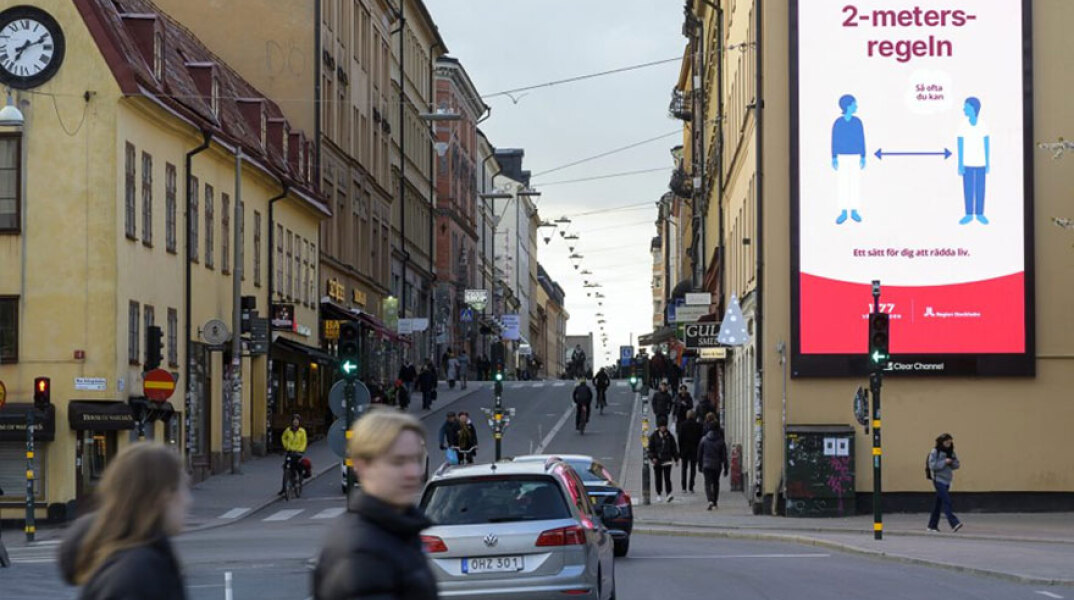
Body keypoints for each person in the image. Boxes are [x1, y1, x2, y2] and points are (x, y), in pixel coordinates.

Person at [312, 409, 437, 600]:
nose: (413, 472)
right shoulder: (361, 552)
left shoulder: (397, 530)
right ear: (363, 466)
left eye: (416, 459)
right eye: (398, 462)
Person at [58, 443, 189, 600]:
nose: (188, 500)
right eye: (183, 488)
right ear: (163, 495)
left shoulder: (140, 562)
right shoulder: (139, 575)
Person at [832, 93, 867, 224]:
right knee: (843, 183)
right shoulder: (838, 123)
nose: (856, 106)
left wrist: (863, 156)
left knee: (854, 182)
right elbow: (834, 140)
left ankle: (854, 210)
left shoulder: (857, 122)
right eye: (854, 104)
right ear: (848, 106)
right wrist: (834, 157)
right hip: (842, 156)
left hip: (855, 156)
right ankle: (843, 211)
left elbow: (861, 139)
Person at [957, 96, 990, 225]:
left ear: (973, 108)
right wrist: (960, 164)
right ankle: (969, 214)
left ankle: (980, 214)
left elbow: (986, 144)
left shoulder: (983, 125)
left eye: (966, 107)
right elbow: (960, 144)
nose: (964, 109)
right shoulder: (963, 126)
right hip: (967, 163)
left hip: (981, 163)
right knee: (968, 188)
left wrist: (987, 163)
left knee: (980, 188)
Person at [927, 433, 963, 532]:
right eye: (946, 442)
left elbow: (957, 465)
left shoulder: (951, 452)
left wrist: (951, 462)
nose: (948, 444)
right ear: (941, 442)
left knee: (938, 504)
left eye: (950, 443)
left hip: (947, 480)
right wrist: (944, 462)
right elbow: (932, 466)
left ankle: (932, 525)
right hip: (938, 480)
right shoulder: (935, 451)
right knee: (947, 501)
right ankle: (954, 523)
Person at [697, 416, 729, 510]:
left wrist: (699, 465)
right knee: (716, 483)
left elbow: (699, 454)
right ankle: (715, 502)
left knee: (707, 483)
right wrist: (726, 468)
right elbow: (724, 456)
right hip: (717, 465)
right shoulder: (721, 441)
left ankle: (710, 500)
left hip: (706, 465)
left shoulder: (704, 439)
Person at [648, 418, 679, 502]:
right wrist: (653, 457)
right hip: (657, 461)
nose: (663, 428)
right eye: (661, 426)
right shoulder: (654, 436)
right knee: (658, 478)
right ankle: (659, 493)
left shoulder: (669, 436)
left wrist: (676, 459)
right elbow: (650, 449)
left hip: (667, 460)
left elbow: (674, 448)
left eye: (664, 426)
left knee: (667, 478)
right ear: (659, 427)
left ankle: (669, 493)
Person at [280, 414, 309, 495]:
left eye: (297, 421)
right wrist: (286, 446)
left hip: (298, 452)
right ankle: (284, 488)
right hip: (290, 451)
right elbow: (283, 437)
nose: (295, 422)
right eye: (294, 421)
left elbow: (304, 441)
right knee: (286, 467)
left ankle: (299, 480)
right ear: (292, 422)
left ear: (299, 422)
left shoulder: (302, 431)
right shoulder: (288, 430)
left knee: (297, 466)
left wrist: (301, 450)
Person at [677, 409, 703, 494]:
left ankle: (684, 487)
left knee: (684, 468)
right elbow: (700, 439)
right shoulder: (698, 426)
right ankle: (691, 487)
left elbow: (680, 438)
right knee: (693, 469)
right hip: (694, 450)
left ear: (687, 416)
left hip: (684, 450)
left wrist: (680, 450)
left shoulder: (682, 425)